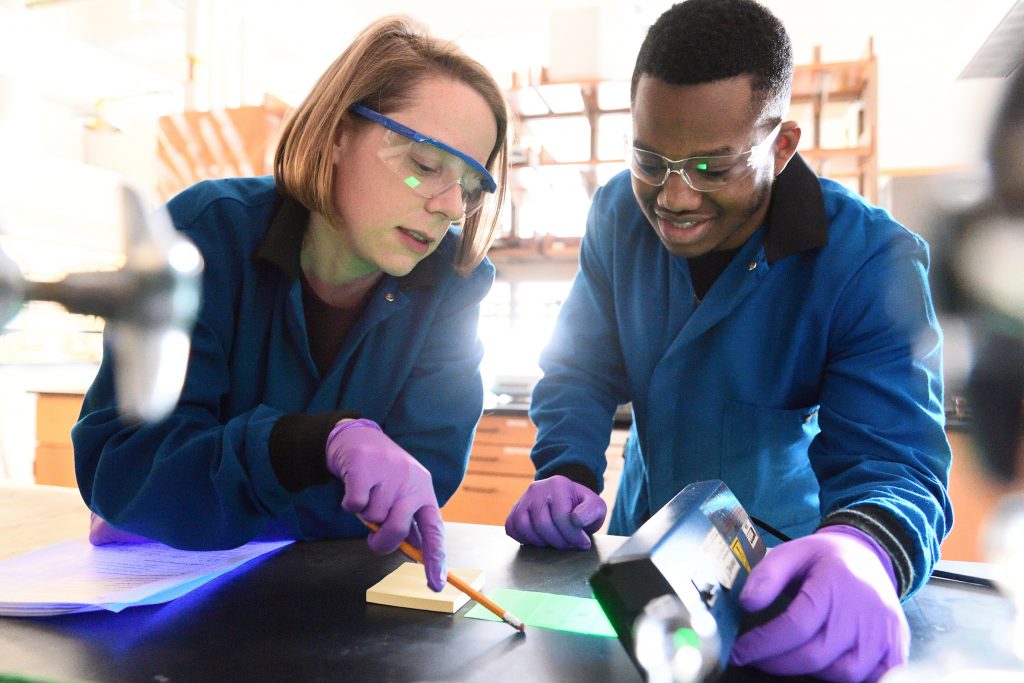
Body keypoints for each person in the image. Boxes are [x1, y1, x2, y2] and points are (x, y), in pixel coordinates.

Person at [503, 1, 950, 680]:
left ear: (782, 144)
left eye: (713, 167)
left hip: (787, 580)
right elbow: (581, 366)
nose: (675, 198)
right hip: (635, 553)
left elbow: (896, 464)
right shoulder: (616, 215)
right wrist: (564, 466)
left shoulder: (873, 260)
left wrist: (867, 547)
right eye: (650, 160)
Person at [72, 15, 509, 593]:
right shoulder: (203, 236)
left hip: (330, 602)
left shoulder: (452, 284)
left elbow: (421, 480)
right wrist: (312, 448)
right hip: (174, 603)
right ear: (336, 134)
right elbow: (125, 466)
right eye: (425, 166)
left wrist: (198, 503)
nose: (452, 206)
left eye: (471, 185)